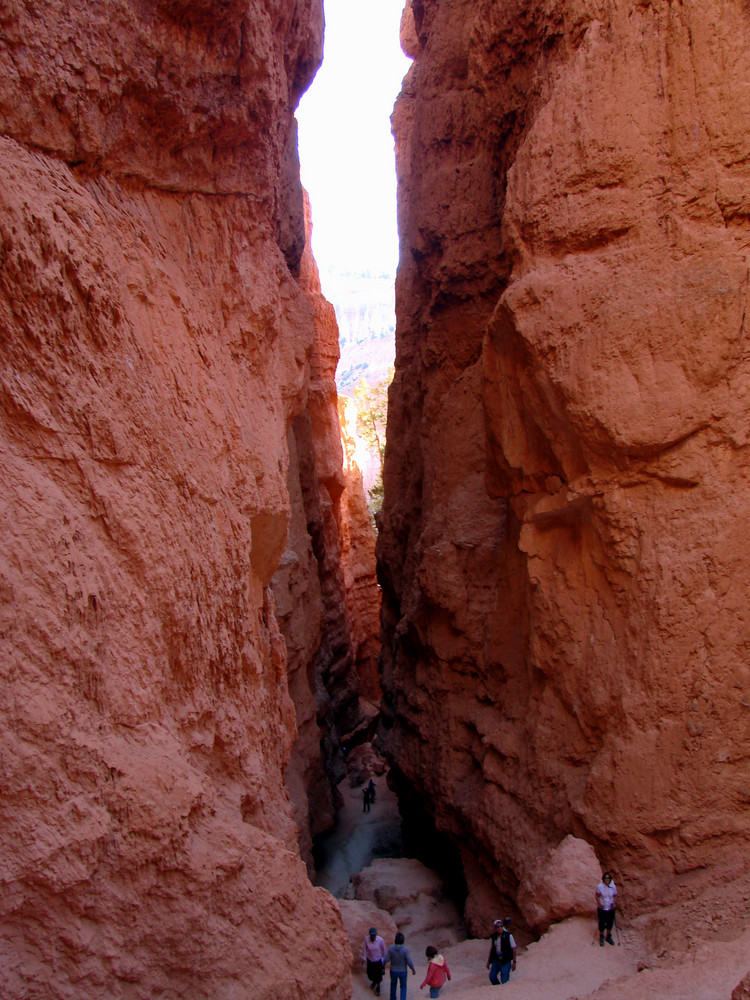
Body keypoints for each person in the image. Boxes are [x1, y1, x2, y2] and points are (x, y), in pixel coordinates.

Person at [385, 931, 416, 1000]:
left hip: (393, 970)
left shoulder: (391, 949)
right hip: (403, 971)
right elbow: (409, 961)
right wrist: (412, 968)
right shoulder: (405, 950)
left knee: (393, 986)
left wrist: (382, 966)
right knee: (403, 987)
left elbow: (386, 959)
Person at [487, 917, 517, 985]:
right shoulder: (494, 937)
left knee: (504, 980)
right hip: (496, 960)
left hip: (505, 961)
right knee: (492, 977)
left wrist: (514, 962)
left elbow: (514, 948)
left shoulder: (508, 936)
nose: (500, 928)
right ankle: (498, 989)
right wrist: (489, 961)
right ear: (495, 928)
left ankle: (502, 991)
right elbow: (492, 949)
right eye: (498, 926)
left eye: (501, 926)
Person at [595, 872, 618, 946]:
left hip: (610, 908)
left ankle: (608, 936)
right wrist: (599, 904)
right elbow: (597, 896)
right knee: (601, 923)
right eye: (605, 878)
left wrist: (614, 903)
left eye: (608, 878)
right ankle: (601, 936)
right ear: (603, 879)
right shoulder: (600, 886)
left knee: (610, 922)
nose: (607, 879)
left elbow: (615, 895)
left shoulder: (613, 886)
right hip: (602, 908)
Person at [363, 926, 387, 994]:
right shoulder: (366, 940)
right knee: (370, 974)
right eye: (372, 935)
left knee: (378, 975)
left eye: (374, 935)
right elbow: (365, 949)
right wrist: (364, 958)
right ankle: (374, 981)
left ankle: (378, 987)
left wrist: (384, 961)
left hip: (378, 960)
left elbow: (383, 951)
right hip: (370, 959)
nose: (373, 937)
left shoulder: (380, 940)